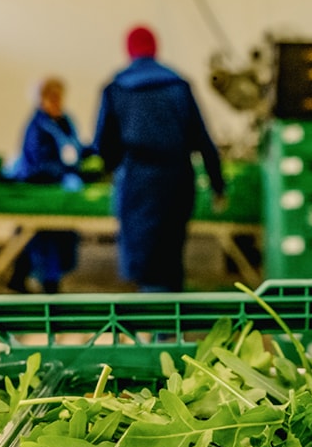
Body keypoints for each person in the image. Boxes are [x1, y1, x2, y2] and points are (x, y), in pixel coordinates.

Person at [93, 25, 225, 292]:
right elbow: (202, 139)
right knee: (170, 253)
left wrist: (114, 168)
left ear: (128, 50)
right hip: (176, 181)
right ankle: (169, 323)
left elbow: (102, 144)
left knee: (144, 256)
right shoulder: (179, 85)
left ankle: (154, 322)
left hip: (136, 182)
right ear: (155, 48)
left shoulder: (116, 88)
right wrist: (217, 184)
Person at [7, 76, 84, 293]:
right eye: (52, 98)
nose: (57, 103)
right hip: (41, 190)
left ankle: (45, 279)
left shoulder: (65, 121)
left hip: (60, 193)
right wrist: (62, 173)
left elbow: (74, 148)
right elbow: (37, 162)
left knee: (60, 240)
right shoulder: (37, 127)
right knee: (41, 241)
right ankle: (40, 282)